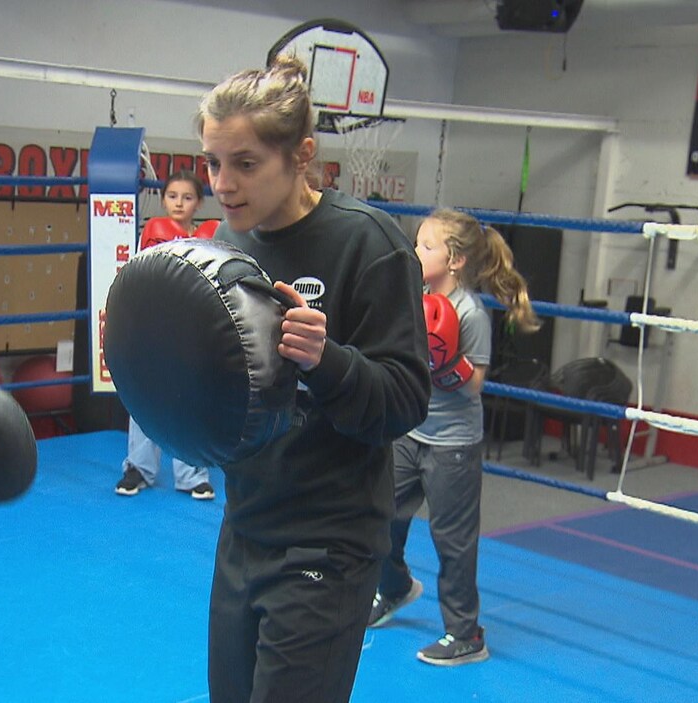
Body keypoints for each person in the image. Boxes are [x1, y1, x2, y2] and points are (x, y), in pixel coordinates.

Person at [197, 56, 431, 702]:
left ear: (300, 155)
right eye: (213, 162)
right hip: (244, 524)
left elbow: (407, 399)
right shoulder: (226, 243)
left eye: (245, 163)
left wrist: (327, 360)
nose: (224, 183)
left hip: (329, 540)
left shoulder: (369, 244)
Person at [366, 208, 540, 667]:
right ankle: (395, 586)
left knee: (453, 540)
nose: (416, 252)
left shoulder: (470, 312)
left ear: (456, 260)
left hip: (453, 444)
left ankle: (465, 633)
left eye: (426, 246)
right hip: (410, 431)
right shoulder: (415, 297)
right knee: (380, 515)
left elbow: (475, 383)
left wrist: (446, 359)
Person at [116, 170, 218, 501]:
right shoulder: (155, 231)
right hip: (151, 323)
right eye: (173, 196)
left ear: (199, 202)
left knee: (189, 397)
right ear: (163, 199)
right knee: (144, 395)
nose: (179, 203)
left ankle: (192, 473)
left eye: (187, 197)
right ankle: (139, 468)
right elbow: (138, 275)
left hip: (190, 325)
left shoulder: (211, 234)